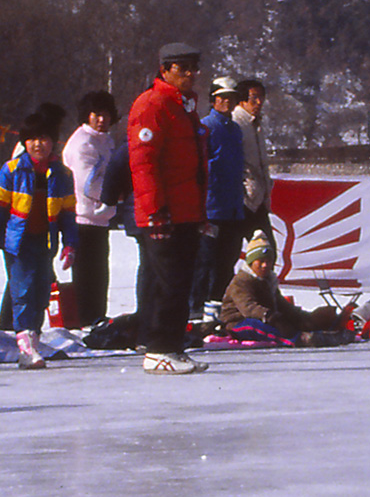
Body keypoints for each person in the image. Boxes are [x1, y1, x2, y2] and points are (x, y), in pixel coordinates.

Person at [128, 43, 211, 374]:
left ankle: (172, 346)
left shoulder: (182, 106)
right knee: (169, 281)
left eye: (193, 67)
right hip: (164, 212)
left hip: (186, 209)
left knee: (181, 282)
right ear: (165, 70)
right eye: (183, 68)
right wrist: (154, 210)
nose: (190, 74)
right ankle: (159, 347)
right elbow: (143, 162)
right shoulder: (153, 104)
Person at [0, 109, 76, 369]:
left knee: (42, 291)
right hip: (17, 242)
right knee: (23, 289)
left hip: (45, 241)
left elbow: (67, 214)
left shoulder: (62, 174)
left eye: (43, 138)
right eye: (32, 139)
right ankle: (25, 344)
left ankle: (33, 335)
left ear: (53, 141)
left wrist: (70, 244)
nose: (38, 144)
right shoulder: (11, 170)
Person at [218, 231, 348, 344]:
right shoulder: (241, 281)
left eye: (268, 261)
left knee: (290, 321)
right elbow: (248, 308)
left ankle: (321, 334)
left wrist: (303, 317)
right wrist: (272, 317)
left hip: (266, 317)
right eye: (260, 262)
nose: (265, 265)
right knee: (256, 327)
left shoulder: (268, 280)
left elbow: (280, 304)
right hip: (238, 323)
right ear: (252, 262)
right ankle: (297, 340)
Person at [62, 90, 122, 326]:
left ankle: (97, 314)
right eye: (96, 114)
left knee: (100, 272)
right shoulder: (83, 143)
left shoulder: (104, 139)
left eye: (106, 115)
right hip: (83, 217)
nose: (101, 120)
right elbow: (88, 185)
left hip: (100, 218)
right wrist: (118, 194)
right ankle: (86, 317)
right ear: (86, 115)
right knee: (86, 273)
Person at [195, 78, 245, 316]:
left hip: (233, 206)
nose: (226, 102)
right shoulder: (205, 127)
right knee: (206, 261)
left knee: (228, 260)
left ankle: (221, 305)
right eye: (221, 98)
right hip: (211, 207)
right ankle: (197, 307)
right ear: (213, 100)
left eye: (231, 98)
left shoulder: (235, 129)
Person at [234, 78, 275, 257]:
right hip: (243, 200)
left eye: (262, 97)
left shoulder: (255, 123)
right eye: (254, 98)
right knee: (256, 252)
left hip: (258, 199)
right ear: (242, 99)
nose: (259, 102)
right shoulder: (236, 122)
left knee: (267, 251)